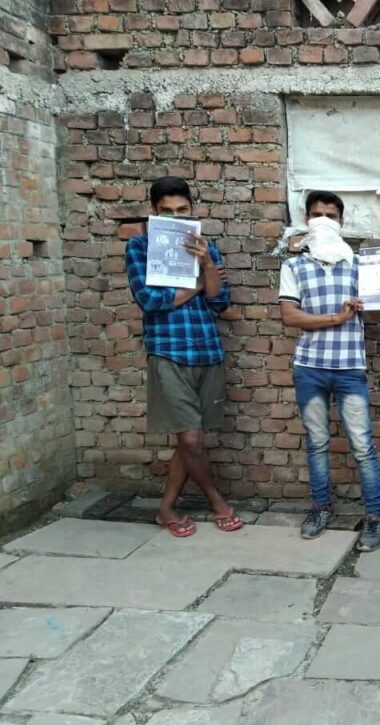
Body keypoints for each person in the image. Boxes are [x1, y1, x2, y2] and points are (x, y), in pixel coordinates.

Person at [278, 191, 380, 550]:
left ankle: (375, 518)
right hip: (310, 369)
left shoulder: (359, 265)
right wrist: (335, 318)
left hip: (350, 368)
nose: (324, 220)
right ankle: (321, 508)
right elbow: (289, 316)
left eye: (331, 215)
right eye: (317, 214)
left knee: (362, 446)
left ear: (342, 222)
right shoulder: (293, 266)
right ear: (306, 219)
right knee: (317, 443)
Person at [125, 176, 241, 537]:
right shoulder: (139, 248)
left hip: (206, 349)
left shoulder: (207, 248)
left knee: (190, 440)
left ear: (192, 210)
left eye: (182, 210)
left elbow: (219, 302)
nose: (175, 217)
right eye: (166, 212)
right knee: (191, 440)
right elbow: (151, 301)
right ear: (153, 213)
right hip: (168, 351)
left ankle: (165, 509)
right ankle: (216, 501)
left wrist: (208, 267)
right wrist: (197, 285)